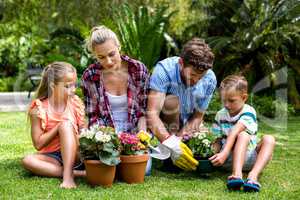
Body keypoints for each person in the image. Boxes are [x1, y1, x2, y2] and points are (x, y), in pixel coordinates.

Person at [81, 25, 151, 174]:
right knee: (109, 165)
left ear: (119, 46)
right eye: (101, 57)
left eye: (112, 54)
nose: (108, 61)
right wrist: (106, 141)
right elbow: (92, 116)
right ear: (95, 55)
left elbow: (142, 113)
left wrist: (141, 137)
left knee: (144, 170)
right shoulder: (90, 75)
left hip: (133, 134)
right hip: (105, 136)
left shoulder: (138, 70)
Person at [148, 38, 217, 171]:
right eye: (192, 74)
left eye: (200, 76)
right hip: (166, 121)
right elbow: (152, 114)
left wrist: (179, 140)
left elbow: (198, 116)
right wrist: (171, 142)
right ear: (181, 63)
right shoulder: (164, 70)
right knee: (171, 102)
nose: (196, 80)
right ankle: (168, 156)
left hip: (186, 125)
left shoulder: (210, 78)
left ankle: (177, 152)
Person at [21, 62, 85, 189]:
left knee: (66, 125)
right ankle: (80, 174)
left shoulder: (75, 103)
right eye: (67, 86)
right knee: (27, 160)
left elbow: (83, 131)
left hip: (75, 154)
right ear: (52, 86)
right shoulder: (39, 109)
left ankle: (68, 177)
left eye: (74, 85)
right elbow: (38, 144)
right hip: (53, 157)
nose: (73, 89)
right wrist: (58, 127)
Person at [209, 75, 276, 192]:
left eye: (231, 100)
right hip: (228, 160)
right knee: (241, 136)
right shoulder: (220, 114)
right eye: (223, 100)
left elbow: (235, 131)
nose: (226, 105)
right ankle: (236, 175)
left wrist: (224, 152)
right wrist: (211, 154)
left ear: (244, 98)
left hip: (250, 158)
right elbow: (217, 139)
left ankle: (253, 176)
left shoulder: (249, 111)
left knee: (266, 138)